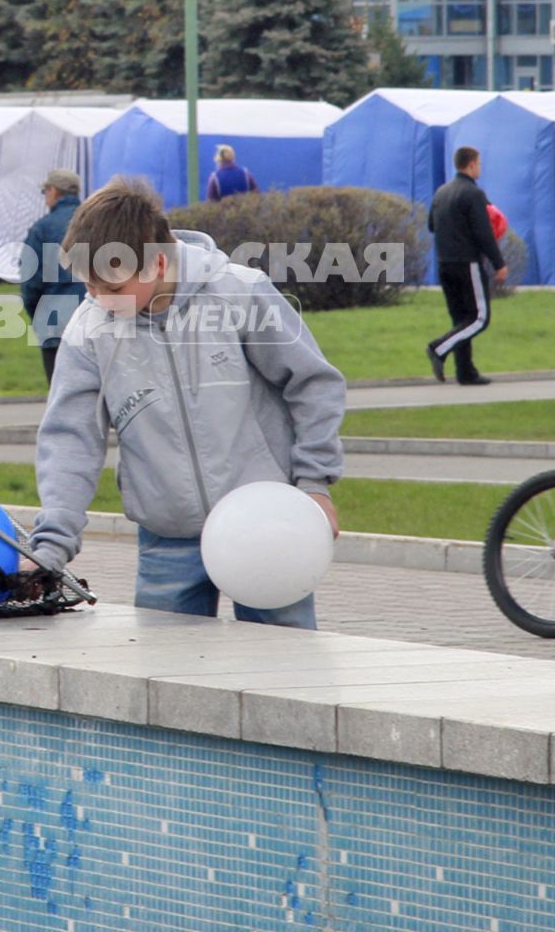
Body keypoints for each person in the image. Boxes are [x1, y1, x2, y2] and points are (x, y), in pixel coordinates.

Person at [28, 178, 348, 630]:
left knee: (286, 674)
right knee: (164, 684)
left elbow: (314, 384)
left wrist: (314, 483)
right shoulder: (89, 330)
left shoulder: (240, 293)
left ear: (158, 262)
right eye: (88, 285)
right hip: (167, 539)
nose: (97, 298)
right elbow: (70, 439)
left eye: (110, 287)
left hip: (269, 527)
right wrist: (50, 547)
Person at [426, 146, 507, 386]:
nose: (480, 168)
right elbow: (484, 233)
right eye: (479, 164)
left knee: (461, 320)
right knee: (479, 319)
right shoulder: (473, 194)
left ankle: (465, 372)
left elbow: (432, 225)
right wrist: (498, 263)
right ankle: (438, 348)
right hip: (467, 263)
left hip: (444, 264)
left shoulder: (441, 192)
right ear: (471, 165)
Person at [18, 167, 82, 382]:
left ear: (53, 191)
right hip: (97, 321)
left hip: (55, 323)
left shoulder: (42, 229)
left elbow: (30, 282)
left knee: (61, 394)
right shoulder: (98, 222)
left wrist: (38, 315)